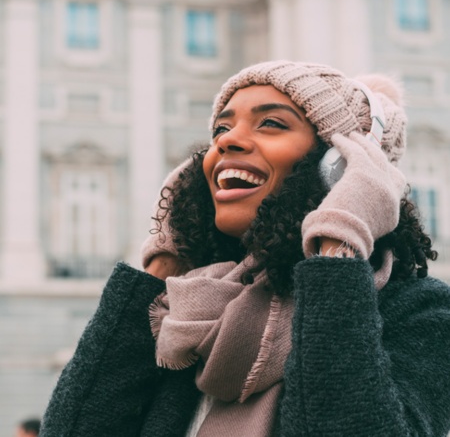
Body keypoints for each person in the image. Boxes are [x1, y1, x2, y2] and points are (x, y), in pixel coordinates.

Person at [40, 61, 450, 437]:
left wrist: (339, 242)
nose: (227, 142)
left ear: (339, 167)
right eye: (221, 129)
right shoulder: (188, 316)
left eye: (270, 123)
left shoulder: (421, 311)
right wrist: (167, 257)